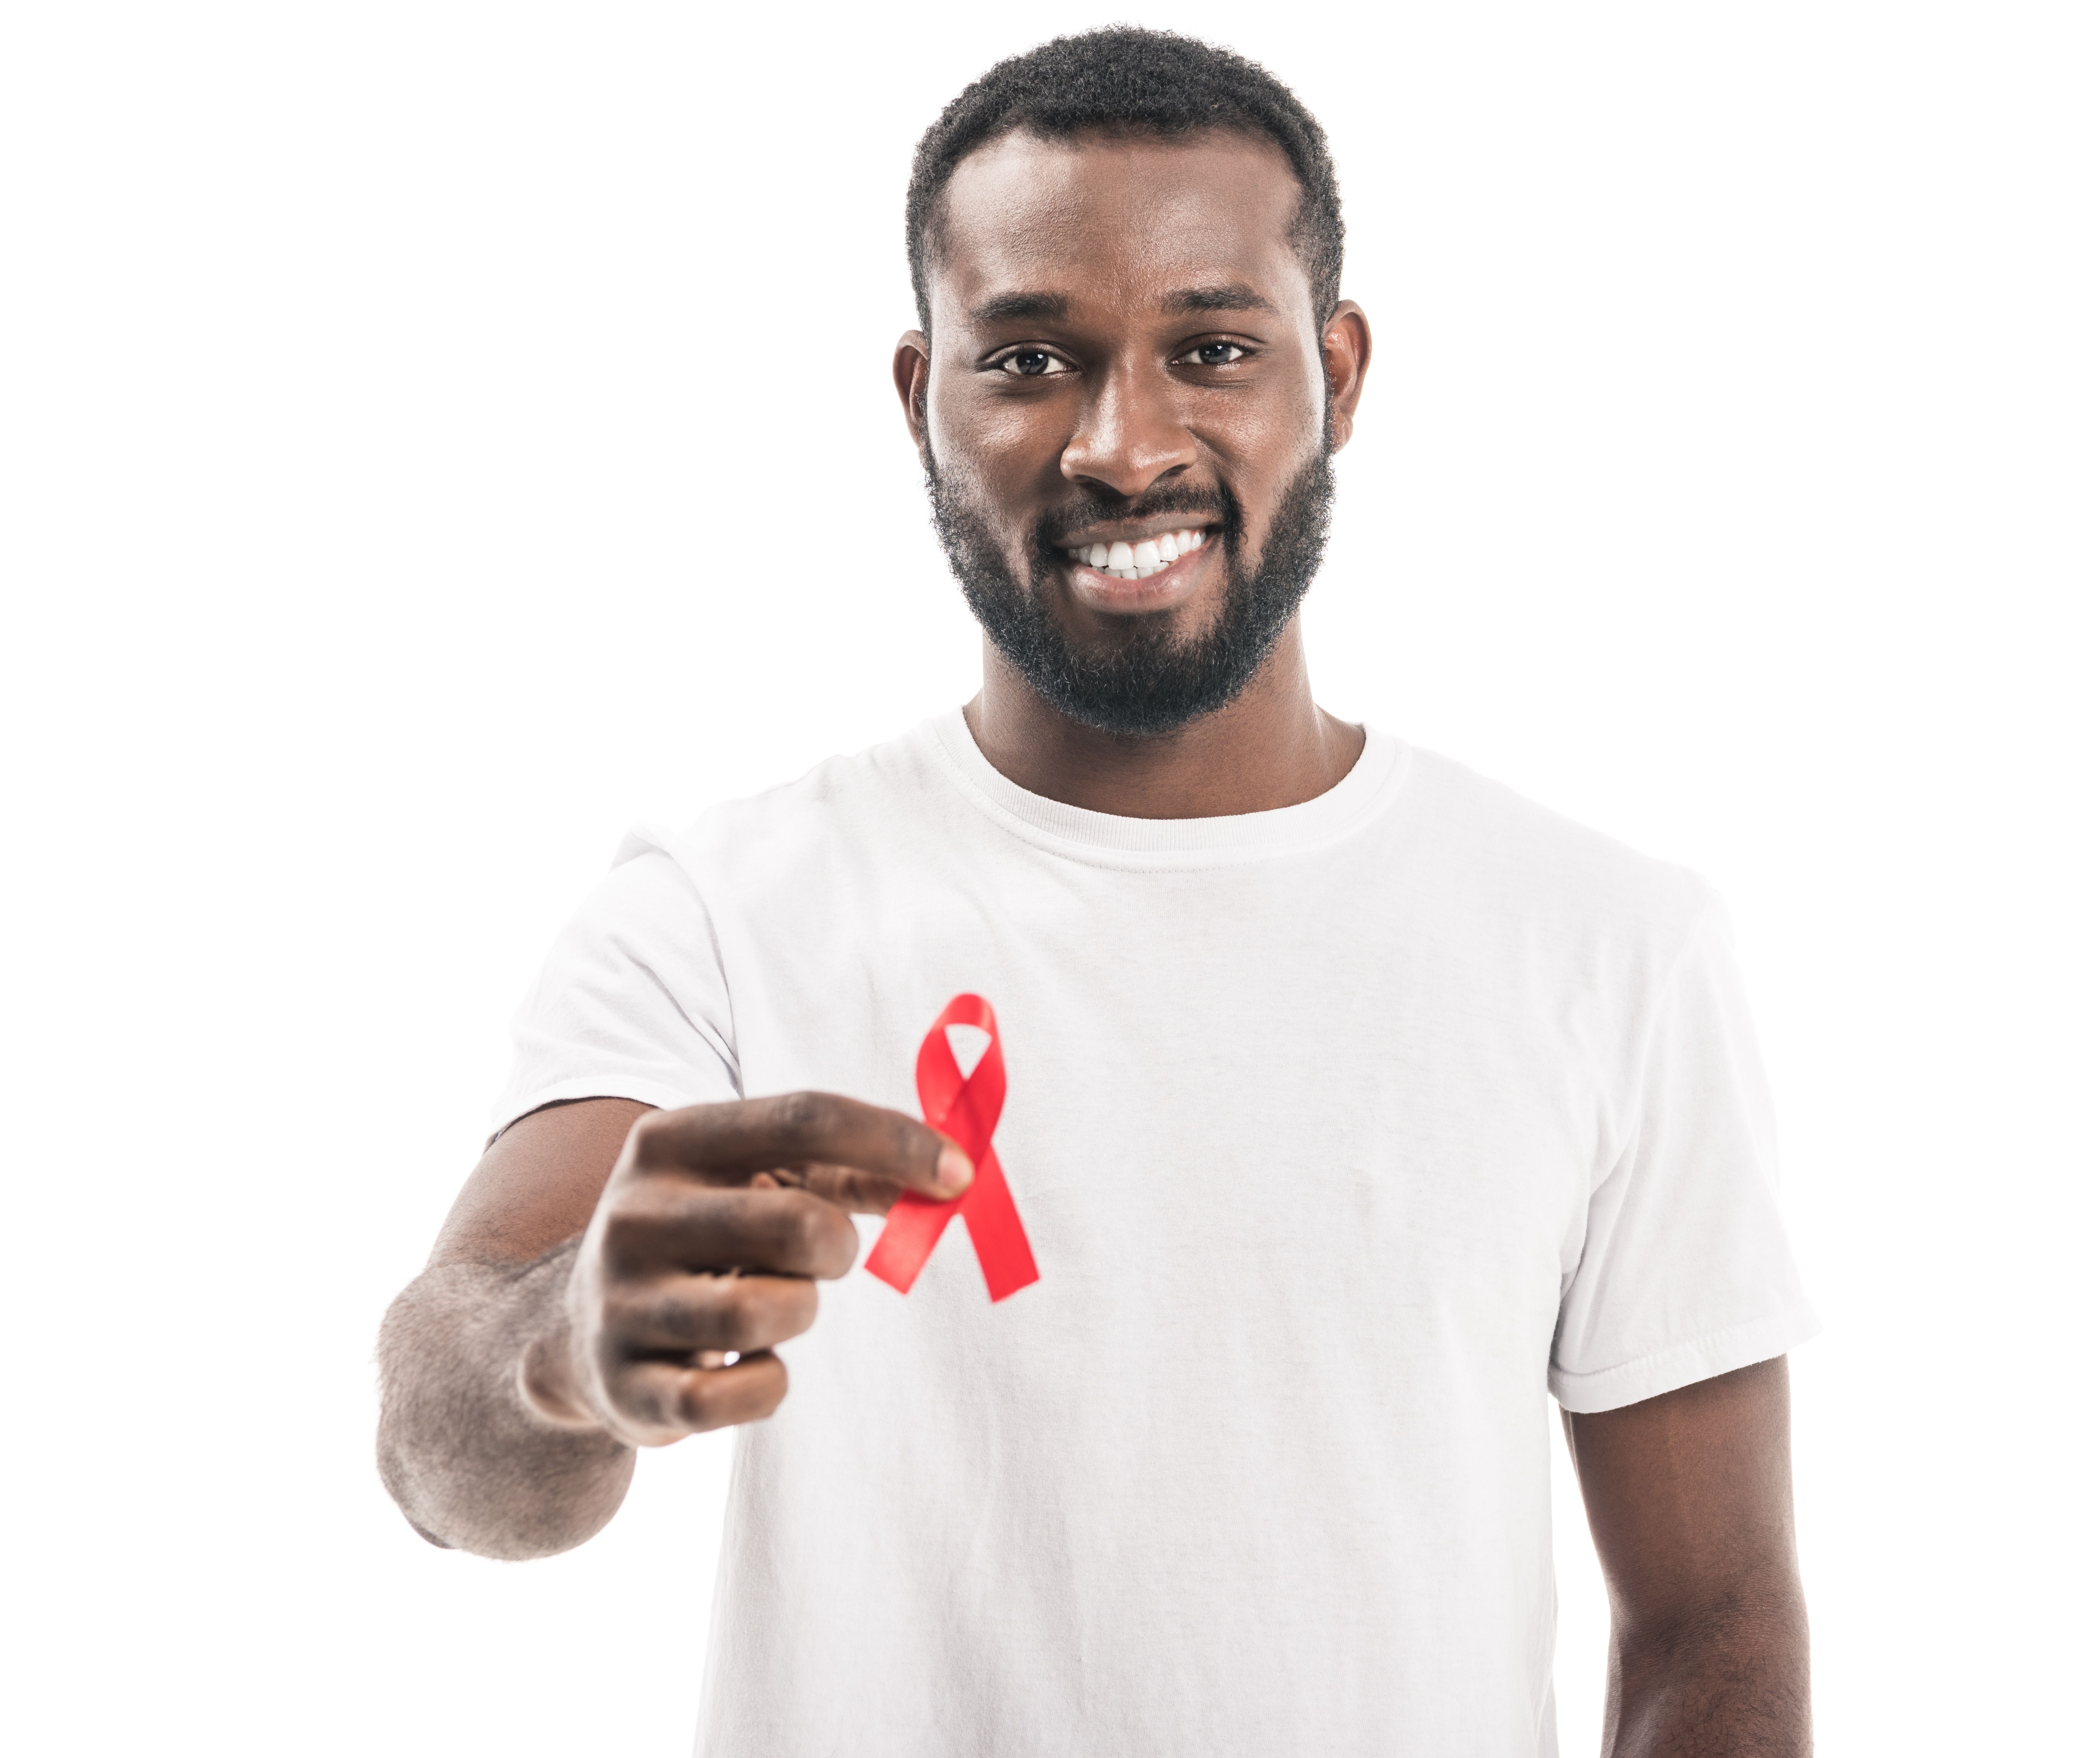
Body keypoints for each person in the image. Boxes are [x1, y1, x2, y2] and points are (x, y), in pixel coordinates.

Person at [376, 26, 1820, 1757]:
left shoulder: (1607, 947)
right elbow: (448, 1466)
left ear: (1337, 374)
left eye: (1210, 348)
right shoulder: (723, 914)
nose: (1125, 444)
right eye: (1032, 358)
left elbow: (1711, 1618)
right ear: (921, 393)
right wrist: (561, 1349)